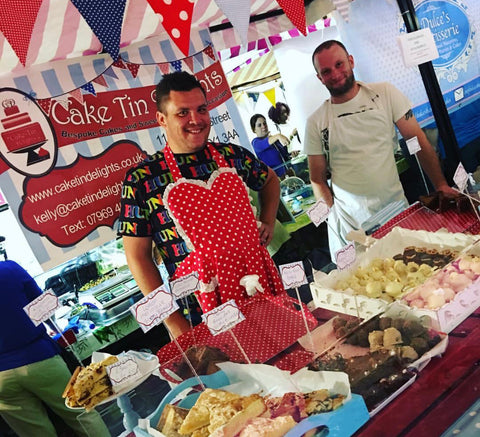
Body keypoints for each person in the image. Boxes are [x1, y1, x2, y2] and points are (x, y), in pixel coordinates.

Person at [118, 72, 285, 338]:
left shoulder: (232, 155)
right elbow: (138, 258)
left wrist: (267, 221)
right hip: (198, 309)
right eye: (182, 113)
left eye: (201, 109)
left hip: (258, 284)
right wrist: (174, 323)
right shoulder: (142, 178)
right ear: (162, 119)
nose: (195, 120)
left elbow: (270, 180)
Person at [304, 40, 457, 258]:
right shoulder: (316, 122)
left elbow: (418, 139)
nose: (335, 74)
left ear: (351, 61)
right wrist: (331, 218)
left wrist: (440, 184)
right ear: (320, 78)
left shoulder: (384, 93)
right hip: (352, 226)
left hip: (396, 211)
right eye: (326, 71)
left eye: (339, 64)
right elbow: (317, 179)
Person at [0, 260, 110, 437]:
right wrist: (53, 327)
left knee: (34, 433)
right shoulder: (9, 268)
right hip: (39, 358)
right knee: (81, 414)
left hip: (1, 380)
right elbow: (44, 308)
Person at [250, 113, 294, 178]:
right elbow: (265, 143)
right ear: (254, 130)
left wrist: (291, 155)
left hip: (289, 175)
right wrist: (278, 135)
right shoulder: (255, 143)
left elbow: (284, 156)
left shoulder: (274, 140)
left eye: (264, 123)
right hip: (276, 180)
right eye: (259, 125)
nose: (263, 126)